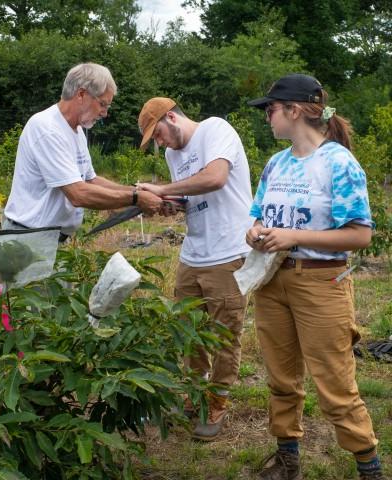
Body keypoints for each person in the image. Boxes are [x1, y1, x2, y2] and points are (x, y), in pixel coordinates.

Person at [246, 74, 384, 479]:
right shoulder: (277, 162)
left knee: (335, 387)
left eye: (270, 109)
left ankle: (369, 467)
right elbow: (256, 213)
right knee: (280, 377)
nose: (266, 117)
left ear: (294, 110)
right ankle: (287, 457)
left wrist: (292, 236)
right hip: (272, 281)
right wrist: (253, 231)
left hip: (321, 283)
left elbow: (360, 234)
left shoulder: (338, 162)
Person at [137, 97, 253, 441]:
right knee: (186, 330)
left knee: (224, 332)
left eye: (157, 134)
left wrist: (163, 188)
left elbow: (215, 178)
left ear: (172, 117)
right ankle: (194, 393)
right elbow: (191, 199)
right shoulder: (174, 155)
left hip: (228, 250)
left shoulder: (216, 129)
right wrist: (165, 204)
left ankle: (217, 400)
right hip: (194, 253)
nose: (159, 143)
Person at [3, 63, 163, 239]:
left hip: (50, 238)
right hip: (27, 237)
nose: (105, 113)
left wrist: (136, 191)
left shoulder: (77, 131)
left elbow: (91, 180)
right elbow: (78, 194)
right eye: (103, 104)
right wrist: (136, 198)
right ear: (81, 94)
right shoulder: (47, 128)